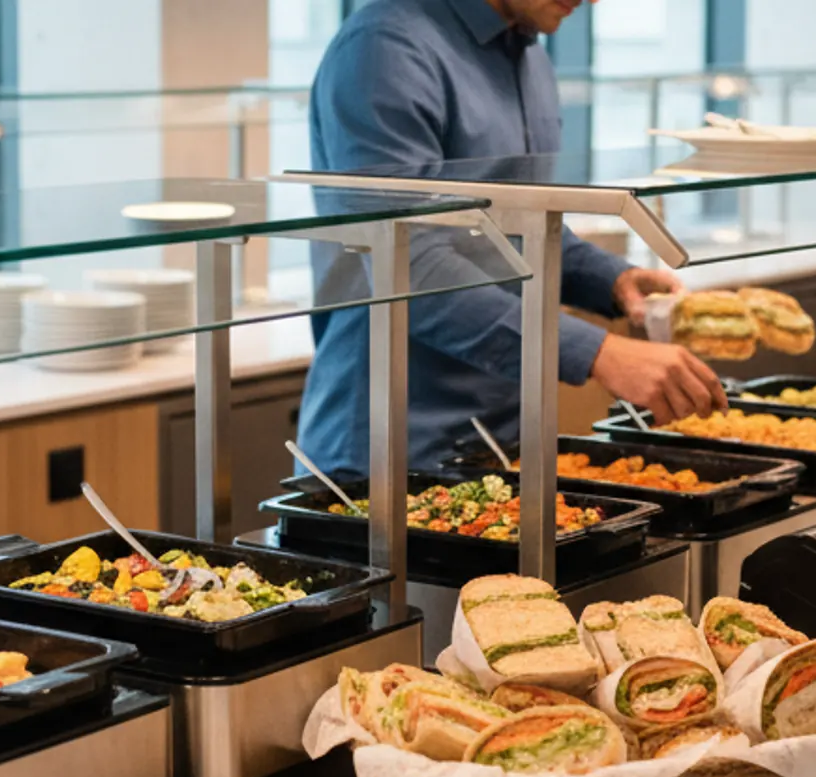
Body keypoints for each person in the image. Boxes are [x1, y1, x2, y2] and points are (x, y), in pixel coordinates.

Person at [295, 0, 726, 479]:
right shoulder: (385, 49)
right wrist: (598, 352)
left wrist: (610, 279)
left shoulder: (531, 57)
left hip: (502, 438)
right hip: (388, 450)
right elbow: (411, 265)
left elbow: (517, 232)